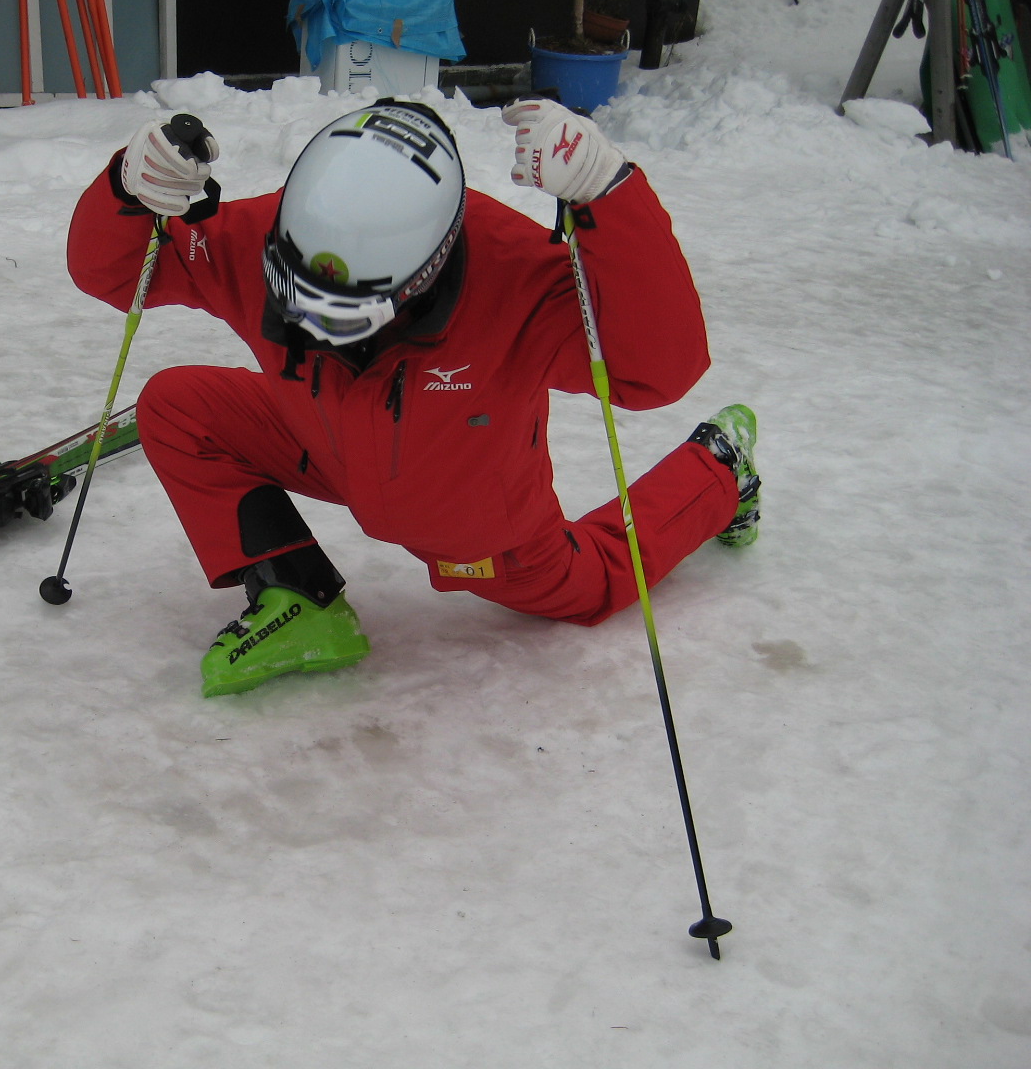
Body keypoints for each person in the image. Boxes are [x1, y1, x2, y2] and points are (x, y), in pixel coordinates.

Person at [67, 98, 758, 697]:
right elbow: (120, 272)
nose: (318, 330)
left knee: (589, 587)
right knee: (178, 406)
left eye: (347, 316)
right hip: (326, 444)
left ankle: (721, 471)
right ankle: (300, 599)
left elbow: (657, 370)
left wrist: (609, 194)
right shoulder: (266, 232)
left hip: (475, 521)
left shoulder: (516, 278)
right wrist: (130, 190)